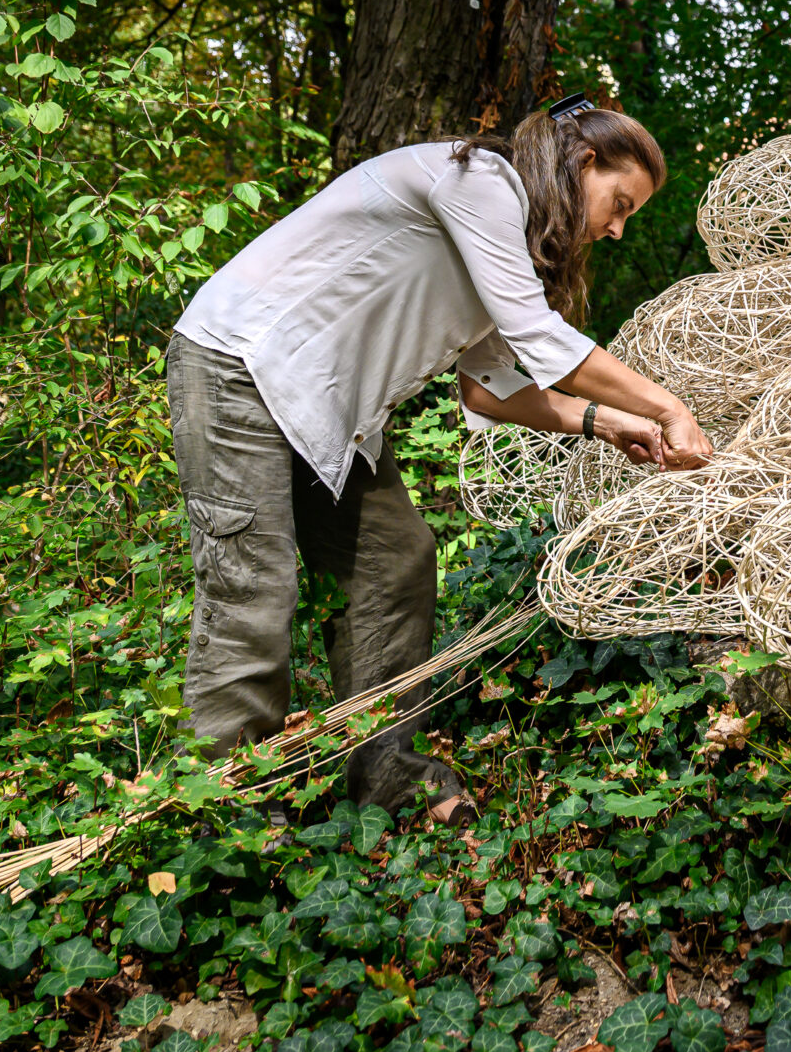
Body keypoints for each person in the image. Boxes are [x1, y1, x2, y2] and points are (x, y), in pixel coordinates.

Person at [164, 97, 713, 809]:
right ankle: (229, 814)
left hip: (328, 409)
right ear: (583, 163)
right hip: (241, 367)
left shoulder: (503, 240)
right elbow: (543, 344)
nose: (613, 228)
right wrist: (668, 406)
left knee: (397, 560)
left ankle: (384, 775)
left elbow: (489, 390)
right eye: (619, 202)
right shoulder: (480, 182)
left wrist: (605, 422)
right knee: (253, 590)